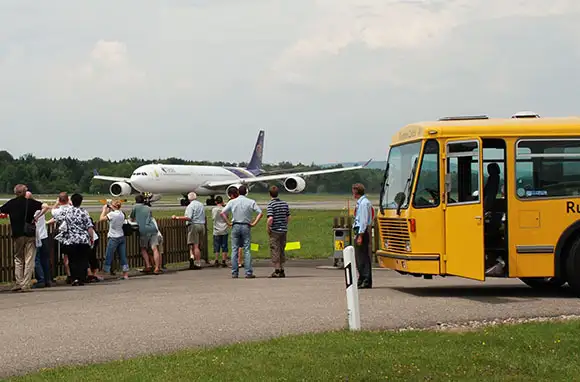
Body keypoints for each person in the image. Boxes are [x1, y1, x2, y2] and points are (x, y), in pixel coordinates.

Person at [0, 185, 48, 292]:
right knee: (29, 259)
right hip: (29, 233)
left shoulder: (11, 203)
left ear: (15, 193)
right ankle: (26, 284)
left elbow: (1, 210)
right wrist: (37, 216)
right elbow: (45, 206)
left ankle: (19, 282)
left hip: (17, 234)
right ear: (25, 192)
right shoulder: (30, 203)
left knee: (18, 259)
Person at [220, 184, 263, 278]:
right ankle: (248, 272)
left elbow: (222, 213)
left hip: (235, 225)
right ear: (246, 192)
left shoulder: (232, 202)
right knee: (247, 249)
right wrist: (254, 223)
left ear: (238, 192)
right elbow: (260, 213)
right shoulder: (251, 202)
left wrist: (228, 223)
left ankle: (234, 272)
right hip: (246, 225)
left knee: (234, 249)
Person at [53, 193, 95, 286]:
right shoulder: (84, 212)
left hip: (71, 239)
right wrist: (91, 237)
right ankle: (82, 278)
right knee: (82, 259)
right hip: (82, 239)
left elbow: (55, 214)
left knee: (72, 260)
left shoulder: (67, 212)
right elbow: (89, 226)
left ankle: (74, 278)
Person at [172, 192, 205, 270]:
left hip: (194, 225)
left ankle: (197, 263)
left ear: (189, 198)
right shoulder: (201, 205)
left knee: (195, 245)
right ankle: (194, 258)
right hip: (202, 225)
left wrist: (177, 217)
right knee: (197, 245)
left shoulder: (190, 206)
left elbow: (189, 217)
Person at [130, 194, 162, 275]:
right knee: (154, 248)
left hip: (143, 229)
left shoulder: (135, 207)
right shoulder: (148, 208)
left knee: (143, 248)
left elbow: (131, 218)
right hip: (152, 228)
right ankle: (157, 267)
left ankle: (148, 265)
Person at [98, 200, 129, 280]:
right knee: (122, 256)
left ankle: (104, 274)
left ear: (113, 206)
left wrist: (104, 210)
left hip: (113, 237)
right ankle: (125, 274)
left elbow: (101, 219)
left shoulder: (112, 214)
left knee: (109, 255)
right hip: (121, 236)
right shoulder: (122, 214)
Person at [26, 192, 52, 288]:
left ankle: (41, 280)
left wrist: (36, 217)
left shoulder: (29, 209)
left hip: (36, 237)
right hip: (44, 235)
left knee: (36, 259)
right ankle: (47, 279)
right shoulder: (39, 206)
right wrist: (39, 215)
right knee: (45, 259)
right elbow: (46, 206)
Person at [352, 183, 374, 289]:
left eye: (353, 191)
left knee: (363, 257)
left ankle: (366, 279)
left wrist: (360, 235)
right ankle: (361, 277)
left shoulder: (364, 204)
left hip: (362, 232)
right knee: (359, 257)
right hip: (359, 231)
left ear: (356, 192)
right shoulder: (360, 203)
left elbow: (364, 221)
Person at [266, 186, 290, 278]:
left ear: (270, 194)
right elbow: (288, 217)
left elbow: (270, 218)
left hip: (275, 230)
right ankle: (282, 269)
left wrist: (268, 227)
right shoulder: (284, 203)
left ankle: (277, 270)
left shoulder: (271, 205)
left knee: (275, 249)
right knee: (282, 249)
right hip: (283, 230)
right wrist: (284, 224)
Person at [48, 192, 72, 283]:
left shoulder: (57, 211)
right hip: (73, 234)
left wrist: (56, 203)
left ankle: (69, 274)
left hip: (63, 235)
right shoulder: (72, 209)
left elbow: (53, 211)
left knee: (65, 257)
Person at [211, 196, 229, 268]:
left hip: (216, 230)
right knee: (224, 245)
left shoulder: (214, 209)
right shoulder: (225, 209)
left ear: (216, 202)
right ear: (222, 201)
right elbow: (227, 217)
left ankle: (216, 260)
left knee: (216, 246)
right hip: (224, 229)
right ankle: (224, 261)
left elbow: (213, 218)